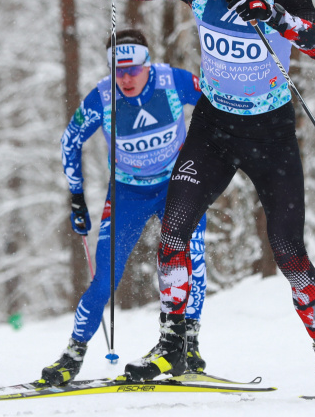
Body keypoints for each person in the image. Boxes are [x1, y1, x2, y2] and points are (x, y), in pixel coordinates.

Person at [96, 0, 315, 394]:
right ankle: (174, 345)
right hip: (214, 128)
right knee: (174, 230)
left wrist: (277, 16)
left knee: (287, 250)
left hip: (270, 135)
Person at [40, 29, 210, 385]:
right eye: (119, 71)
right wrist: (76, 195)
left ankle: (187, 345)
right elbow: (69, 139)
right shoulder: (102, 98)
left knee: (189, 260)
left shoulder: (172, 81)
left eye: (134, 69)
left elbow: (217, 100)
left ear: (149, 64)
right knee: (105, 280)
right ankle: (72, 355)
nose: (127, 78)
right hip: (127, 193)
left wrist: (211, 151)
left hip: (176, 187)